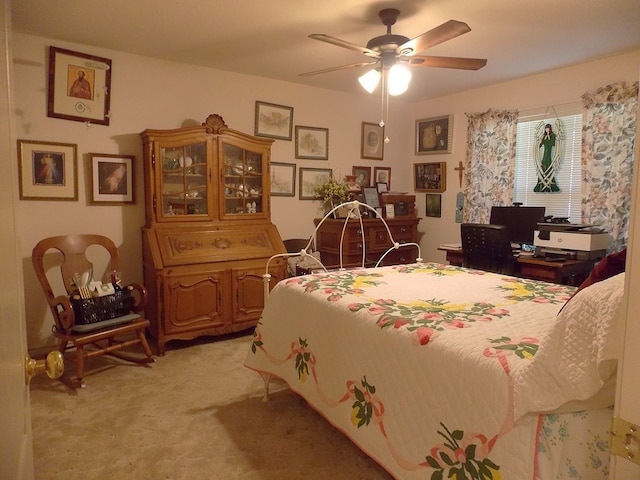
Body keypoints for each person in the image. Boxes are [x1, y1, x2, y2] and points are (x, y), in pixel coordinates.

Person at [534, 123, 560, 192]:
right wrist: (540, 141)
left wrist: (548, 137)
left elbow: (553, 144)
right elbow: (541, 144)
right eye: (546, 128)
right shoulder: (544, 136)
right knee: (543, 166)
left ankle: (550, 184)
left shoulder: (553, 135)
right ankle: (541, 184)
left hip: (549, 153)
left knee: (549, 165)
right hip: (544, 154)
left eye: (548, 128)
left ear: (550, 129)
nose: (547, 130)